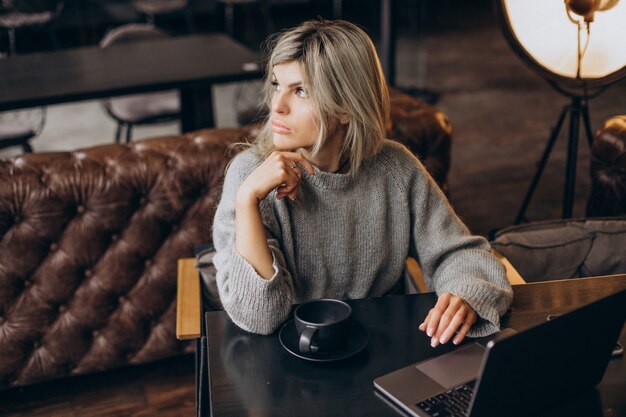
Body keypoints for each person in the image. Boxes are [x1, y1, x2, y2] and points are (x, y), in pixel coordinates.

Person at [212, 19, 512, 347]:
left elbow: (458, 252)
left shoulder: (395, 168)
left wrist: (467, 293)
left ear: (345, 108)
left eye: (300, 91)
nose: (277, 105)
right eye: (276, 85)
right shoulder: (248, 176)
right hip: (288, 362)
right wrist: (247, 202)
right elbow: (258, 317)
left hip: (378, 349)